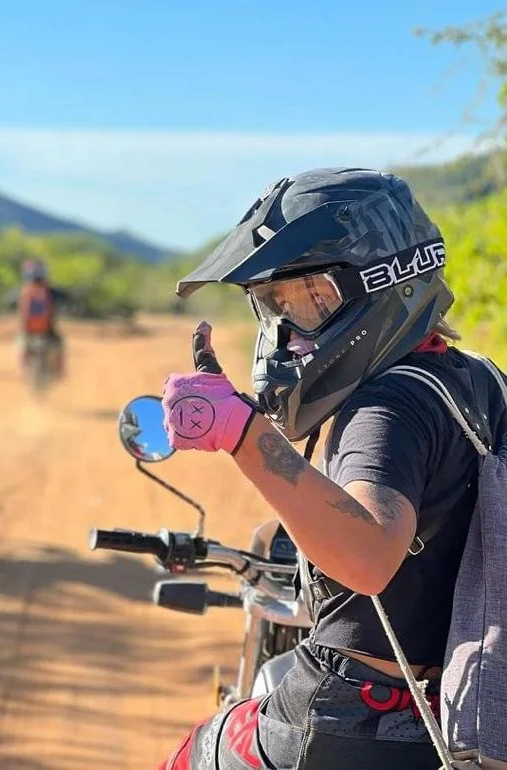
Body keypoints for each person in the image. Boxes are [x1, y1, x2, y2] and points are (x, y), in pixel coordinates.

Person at [156, 167, 507, 769]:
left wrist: (242, 435)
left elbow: (367, 556)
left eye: (314, 298)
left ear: (386, 281)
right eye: (276, 304)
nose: (290, 331)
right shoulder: (477, 378)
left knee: (196, 752)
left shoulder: (385, 409)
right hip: (461, 716)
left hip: (360, 716)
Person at [11, 259, 70, 377]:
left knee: (21, 345)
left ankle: (22, 369)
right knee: (59, 343)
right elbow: (66, 298)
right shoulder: (51, 292)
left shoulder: (23, 291)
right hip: (48, 329)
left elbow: (10, 301)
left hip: (27, 329)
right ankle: (60, 370)